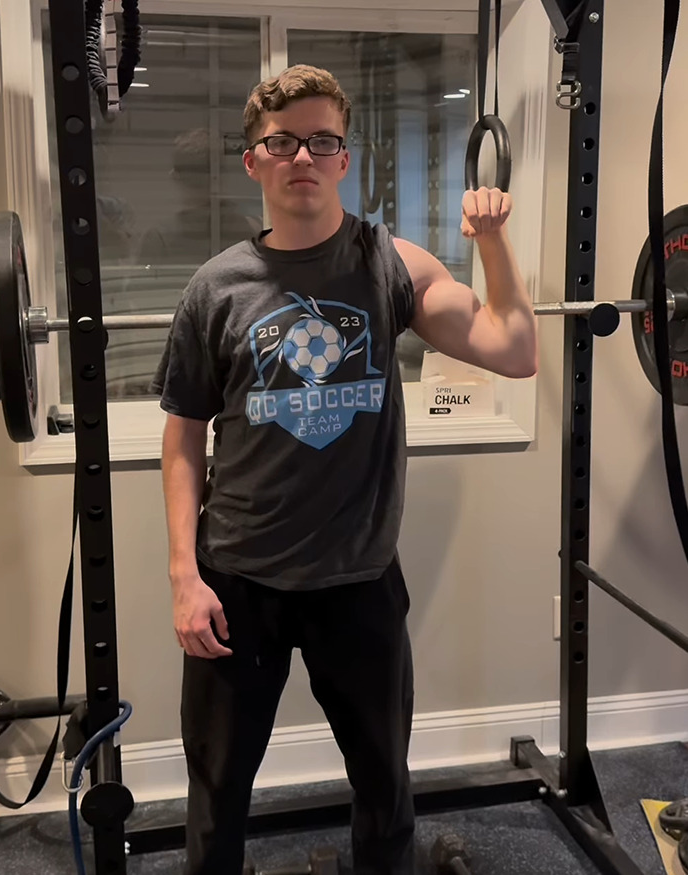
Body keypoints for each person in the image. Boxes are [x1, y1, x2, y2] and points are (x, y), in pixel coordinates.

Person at [151, 64, 537, 875]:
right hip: (238, 580)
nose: (304, 157)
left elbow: (515, 349)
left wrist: (493, 240)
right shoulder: (214, 289)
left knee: (383, 788)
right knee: (217, 791)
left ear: (344, 160)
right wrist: (186, 575)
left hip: (357, 579)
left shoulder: (389, 264)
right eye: (283, 142)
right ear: (254, 161)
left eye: (323, 141)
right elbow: (183, 436)